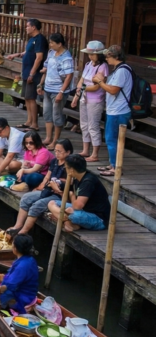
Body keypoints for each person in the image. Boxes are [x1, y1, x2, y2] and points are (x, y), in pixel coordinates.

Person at [8, 138, 71, 237]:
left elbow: (69, 182)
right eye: (55, 151)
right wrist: (40, 187)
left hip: (59, 194)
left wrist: (56, 186)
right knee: (26, 198)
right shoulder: (54, 161)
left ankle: (22, 232)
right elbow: (47, 176)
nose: (57, 153)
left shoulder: (70, 165)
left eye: (60, 151)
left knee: (37, 205)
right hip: (48, 189)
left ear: (68, 152)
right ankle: (18, 226)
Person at [92, 45, 133, 176]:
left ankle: (116, 167)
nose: (106, 59)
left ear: (116, 57)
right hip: (114, 110)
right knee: (111, 138)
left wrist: (99, 82)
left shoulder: (122, 71)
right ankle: (112, 164)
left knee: (111, 139)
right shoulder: (118, 70)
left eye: (108, 56)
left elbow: (113, 90)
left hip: (119, 111)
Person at [0, 235, 39, 313]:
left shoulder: (22, 266)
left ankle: (6, 309)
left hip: (22, 299)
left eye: (13, 244)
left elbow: (6, 288)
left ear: (16, 248)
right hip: (27, 293)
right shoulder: (30, 259)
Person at [48, 154, 110, 232]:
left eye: (66, 168)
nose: (65, 170)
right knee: (52, 203)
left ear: (71, 170)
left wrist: (72, 196)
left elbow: (77, 206)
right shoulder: (77, 178)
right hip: (84, 210)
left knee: (74, 216)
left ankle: (64, 220)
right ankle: (67, 222)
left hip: (98, 218)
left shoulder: (88, 182)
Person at [6, 18, 46, 131]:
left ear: (33, 27)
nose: (26, 28)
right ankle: (29, 121)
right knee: (27, 97)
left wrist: (32, 73)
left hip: (33, 73)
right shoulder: (32, 39)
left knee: (31, 97)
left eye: (27, 26)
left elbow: (39, 58)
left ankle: (34, 124)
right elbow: (28, 52)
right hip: (26, 71)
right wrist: (17, 54)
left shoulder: (40, 40)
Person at [71, 41, 107, 162]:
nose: (90, 56)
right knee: (84, 124)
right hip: (84, 97)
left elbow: (97, 86)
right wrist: (77, 94)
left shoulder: (102, 66)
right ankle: (86, 150)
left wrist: (82, 88)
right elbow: (82, 79)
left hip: (95, 100)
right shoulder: (88, 64)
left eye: (93, 54)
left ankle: (95, 154)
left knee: (93, 126)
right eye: (89, 54)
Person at [40, 32, 75, 148]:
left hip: (58, 90)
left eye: (52, 43)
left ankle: (56, 140)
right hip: (48, 87)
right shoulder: (51, 53)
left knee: (57, 115)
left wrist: (61, 92)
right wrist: (41, 84)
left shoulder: (66, 58)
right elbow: (46, 68)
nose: (50, 45)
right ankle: (48, 137)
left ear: (59, 44)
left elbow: (69, 75)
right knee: (47, 113)